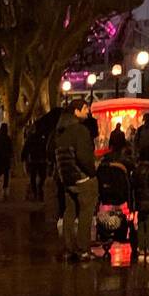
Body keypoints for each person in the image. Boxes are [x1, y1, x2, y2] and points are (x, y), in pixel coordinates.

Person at [52, 98, 97, 262]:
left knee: (69, 213)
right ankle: (83, 248)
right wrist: (92, 173)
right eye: (85, 108)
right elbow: (84, 157)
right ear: (76, 111)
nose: (88, 111)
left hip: (66, 178)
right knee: (86, 211)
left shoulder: (59, 131)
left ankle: (68, 248)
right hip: (82, 177)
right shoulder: (80, 130)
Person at [23, 124, 48, 201]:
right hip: (38, 160)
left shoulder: (42, 138)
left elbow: (26, 147)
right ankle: (37, 190)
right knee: (38, 176)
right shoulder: (41, 138)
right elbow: (27, 147)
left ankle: (37, 190)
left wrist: (24, 156)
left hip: (37, 159)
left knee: (35, 176)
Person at [0, 123, 13, 197]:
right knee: (6, 174)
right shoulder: (7, 138)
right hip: (5, 158)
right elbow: (10, 149)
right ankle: (5, 189)